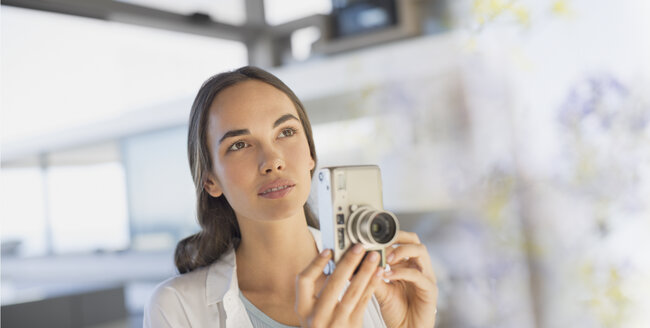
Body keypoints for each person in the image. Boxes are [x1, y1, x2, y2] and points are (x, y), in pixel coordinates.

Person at [143, 66, 438, 328]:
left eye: (286, 132)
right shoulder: (176, 308)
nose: (272, 160)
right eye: (240, 144)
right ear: (210, 181)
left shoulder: (382, 286)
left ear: (311, 155)